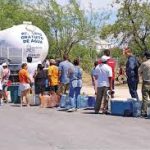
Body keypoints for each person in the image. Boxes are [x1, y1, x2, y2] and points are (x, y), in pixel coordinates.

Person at [138, 51, 150, 117]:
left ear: (146, 56)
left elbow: (139, 71)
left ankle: (144, 113)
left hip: (146, 82)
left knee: (145, 98)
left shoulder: (144, 64)